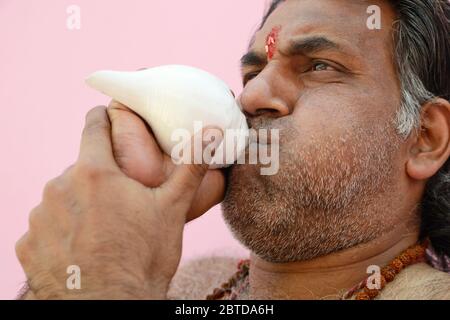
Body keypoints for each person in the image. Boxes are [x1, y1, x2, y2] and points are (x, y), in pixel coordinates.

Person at [16, 0, 450, 300]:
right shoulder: (186, 284)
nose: (251, 96)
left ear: (424, 139)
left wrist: (104, 284)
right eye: (253, 72)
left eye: (319, 66)